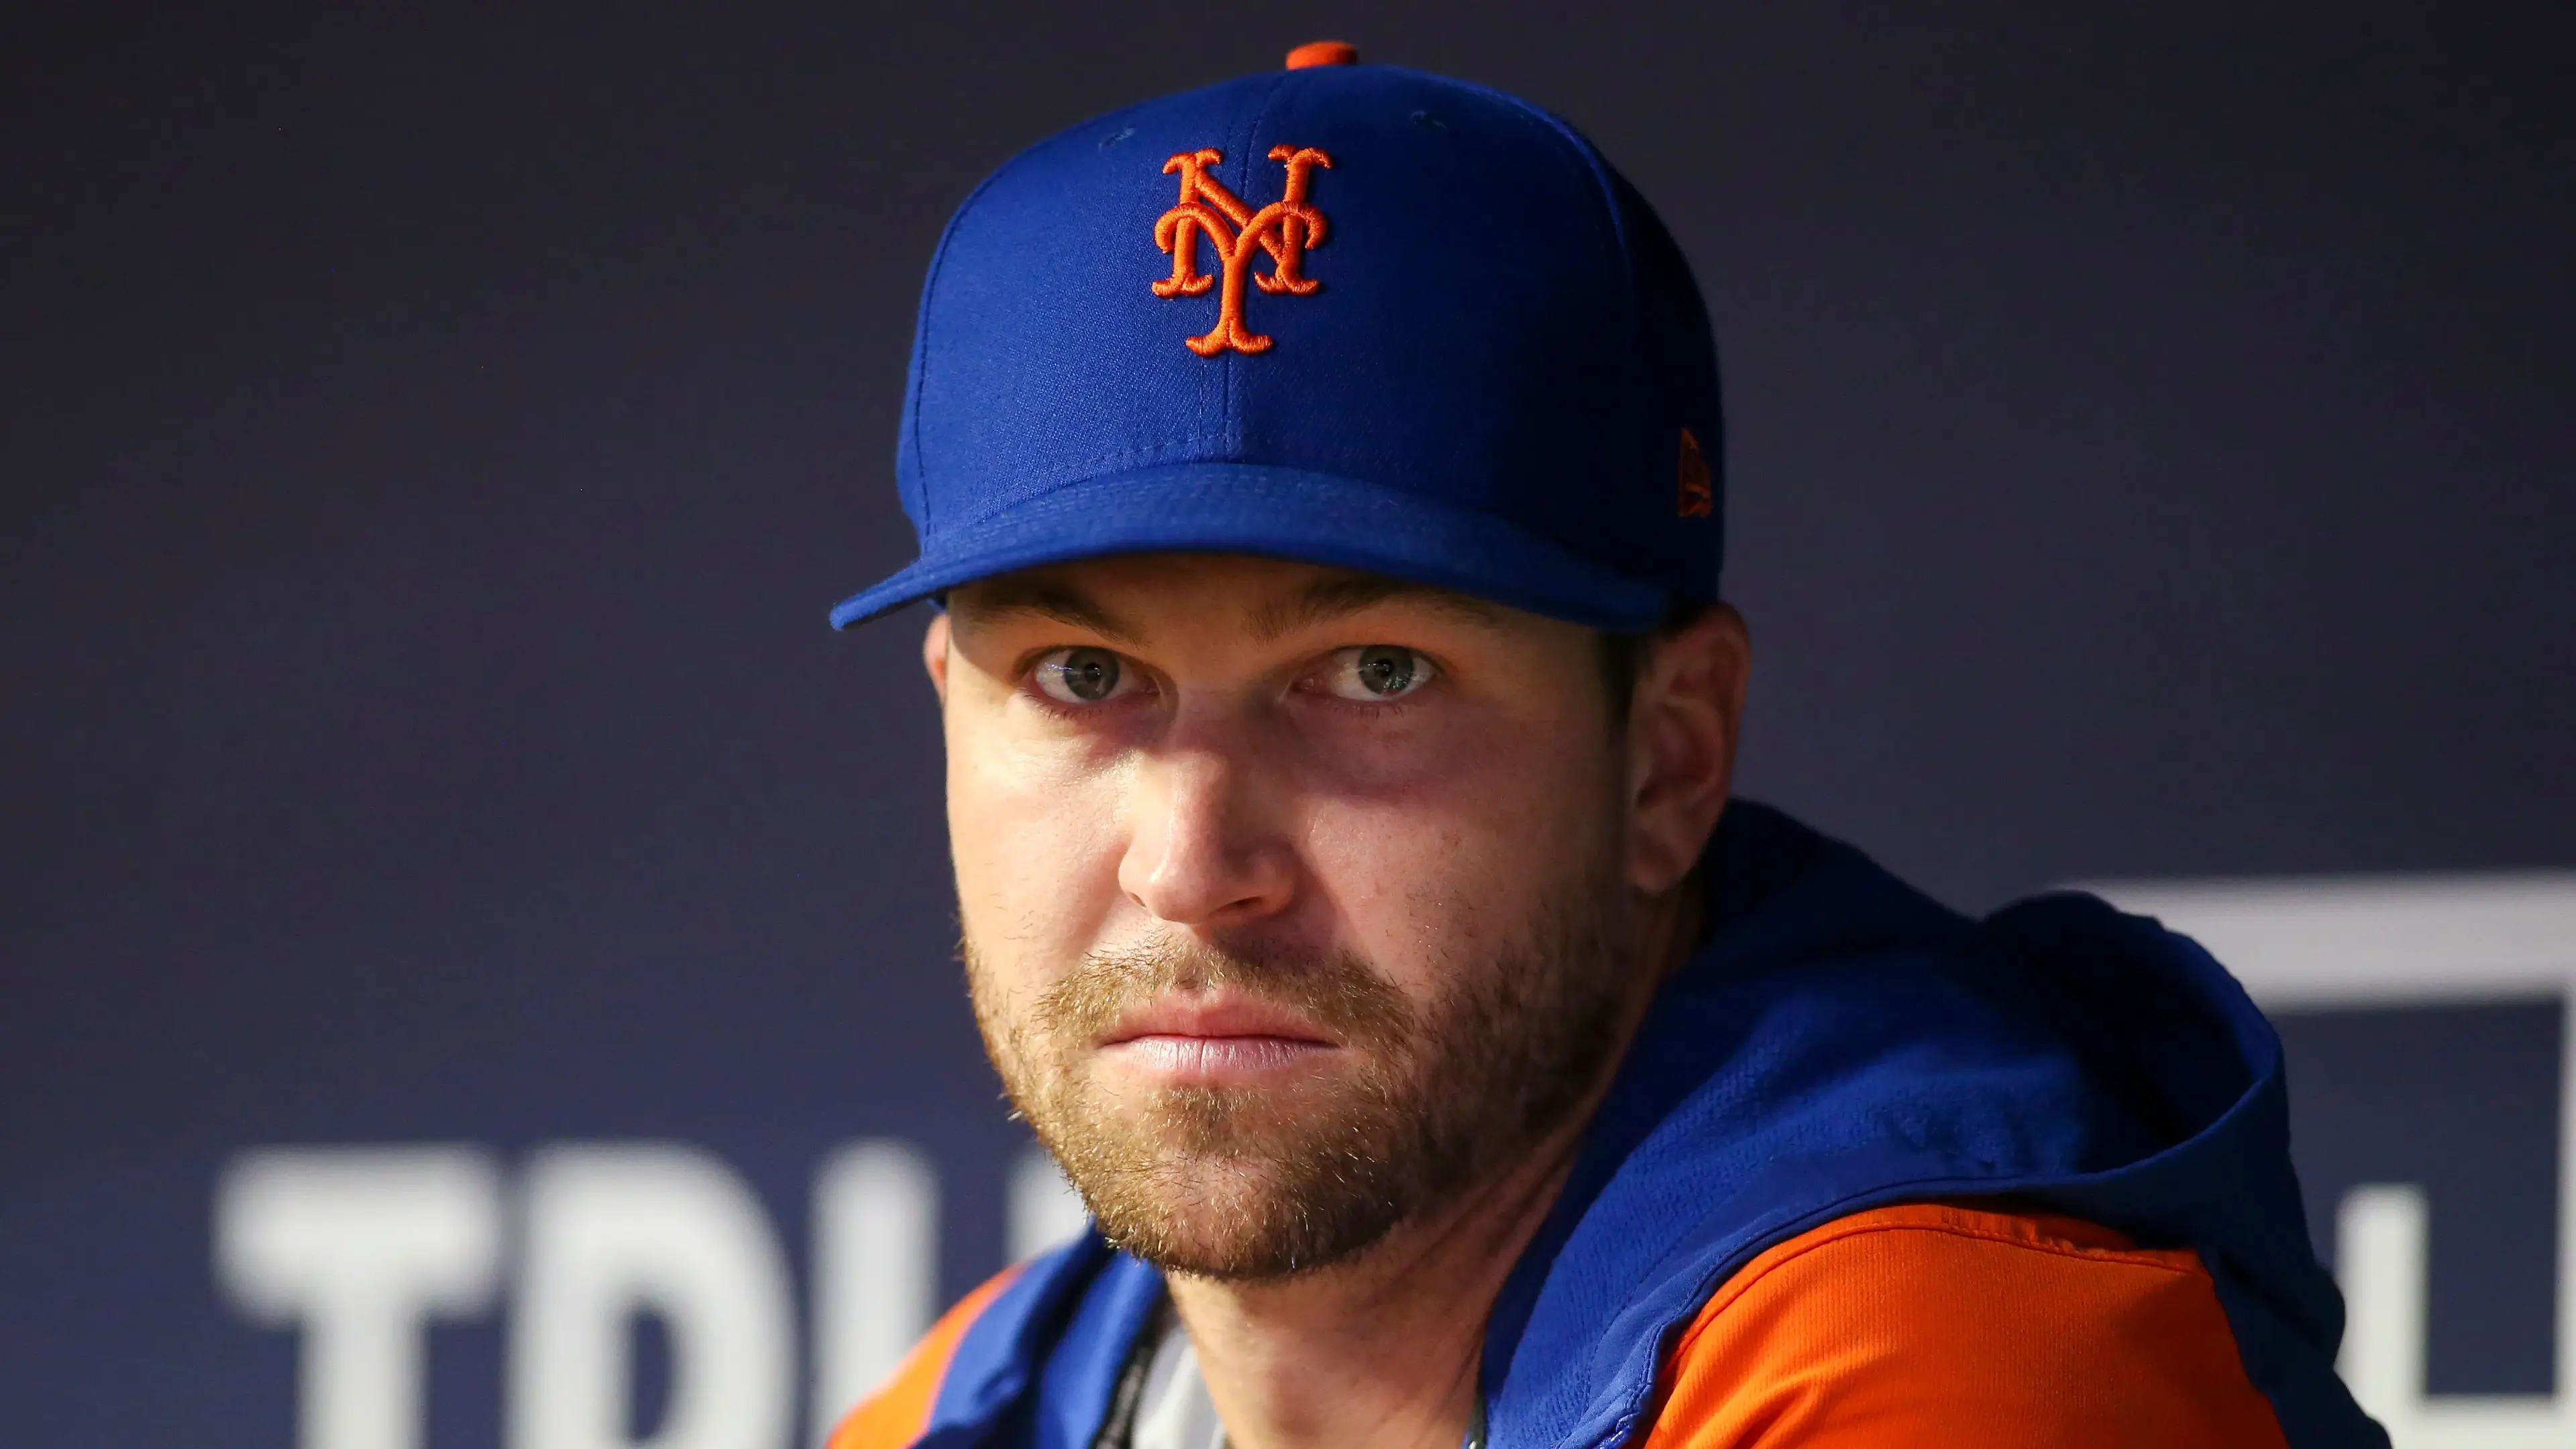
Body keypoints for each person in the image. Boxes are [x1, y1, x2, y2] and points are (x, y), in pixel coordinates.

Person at [819, 41, 2385, 1449]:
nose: (1191, 866)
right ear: (953, 701)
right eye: (1086, 674)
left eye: (1373, 673)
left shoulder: (1933, 1369)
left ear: (1669, 757)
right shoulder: (990, 1397)